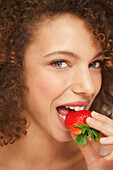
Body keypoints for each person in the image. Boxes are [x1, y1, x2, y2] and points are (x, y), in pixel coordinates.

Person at [0, 0, 113, 169]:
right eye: (60, 63)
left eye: (95, 64)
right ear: (13, 66)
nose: (88, 87)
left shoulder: (106, 158)